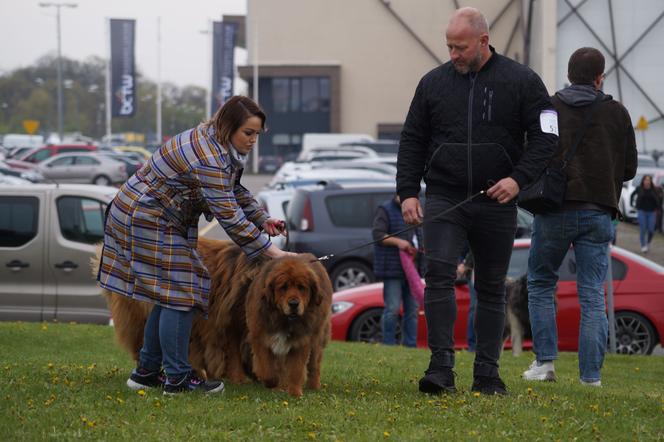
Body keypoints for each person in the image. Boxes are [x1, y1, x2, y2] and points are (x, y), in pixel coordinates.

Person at [397, 7, 558, 396]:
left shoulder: (522, 81)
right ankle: (440, 368)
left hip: (496, 199)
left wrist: (517, 180)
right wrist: (406, 192)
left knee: (489, 286)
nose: (453, 54)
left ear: (483, 42)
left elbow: (546, 137)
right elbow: (412, 140)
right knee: (438, 276)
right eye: (449, 46)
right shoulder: (432, 84)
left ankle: (487, 372)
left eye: (460, 47)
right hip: (444, 196)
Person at [97, 96, 294, 395]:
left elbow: (233, 191)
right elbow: (227, 213)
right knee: (183, 292)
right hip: (144, 219)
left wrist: (262, 219)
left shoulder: (215, 144)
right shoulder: (208, 158)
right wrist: (272, 251)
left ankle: (146, 373)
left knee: (170, 293)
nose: (254, 140)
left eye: (257, 134)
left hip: (150, 217)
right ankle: (177, 379)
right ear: (229, 127)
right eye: (248, 133)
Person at [522, 47, 637, 387]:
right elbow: (629, 168)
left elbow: (534, 152)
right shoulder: (618, 113)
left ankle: (544, 364)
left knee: (541, 282)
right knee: (591, 293)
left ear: (569, 75)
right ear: (600, 77)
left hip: (555, 209)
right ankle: (591, 377)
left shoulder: (550, 108)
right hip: (599, 212)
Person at [372, 195, 422, 348]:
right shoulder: (385, 209)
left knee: (413, 310)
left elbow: (421, 233)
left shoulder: (417, 209)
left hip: (413, 271)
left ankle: (411, 345)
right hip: (392, 270)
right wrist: (399, 242)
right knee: (392, 309)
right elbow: (377, 235)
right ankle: (388, 344)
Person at [634, 174, 662, 253]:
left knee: (651, 230)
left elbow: (659, 199)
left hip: (651, 212)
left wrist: (659, 207)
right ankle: (643, 245)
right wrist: (632, 204)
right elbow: (633, 195)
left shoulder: (654, 190)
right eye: (645, 180)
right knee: (643, 228)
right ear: (643, 181)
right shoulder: (639, 188)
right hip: (641, 211)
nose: (647, 181)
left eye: (648, 180)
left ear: (650, 181)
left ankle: (648, 243)